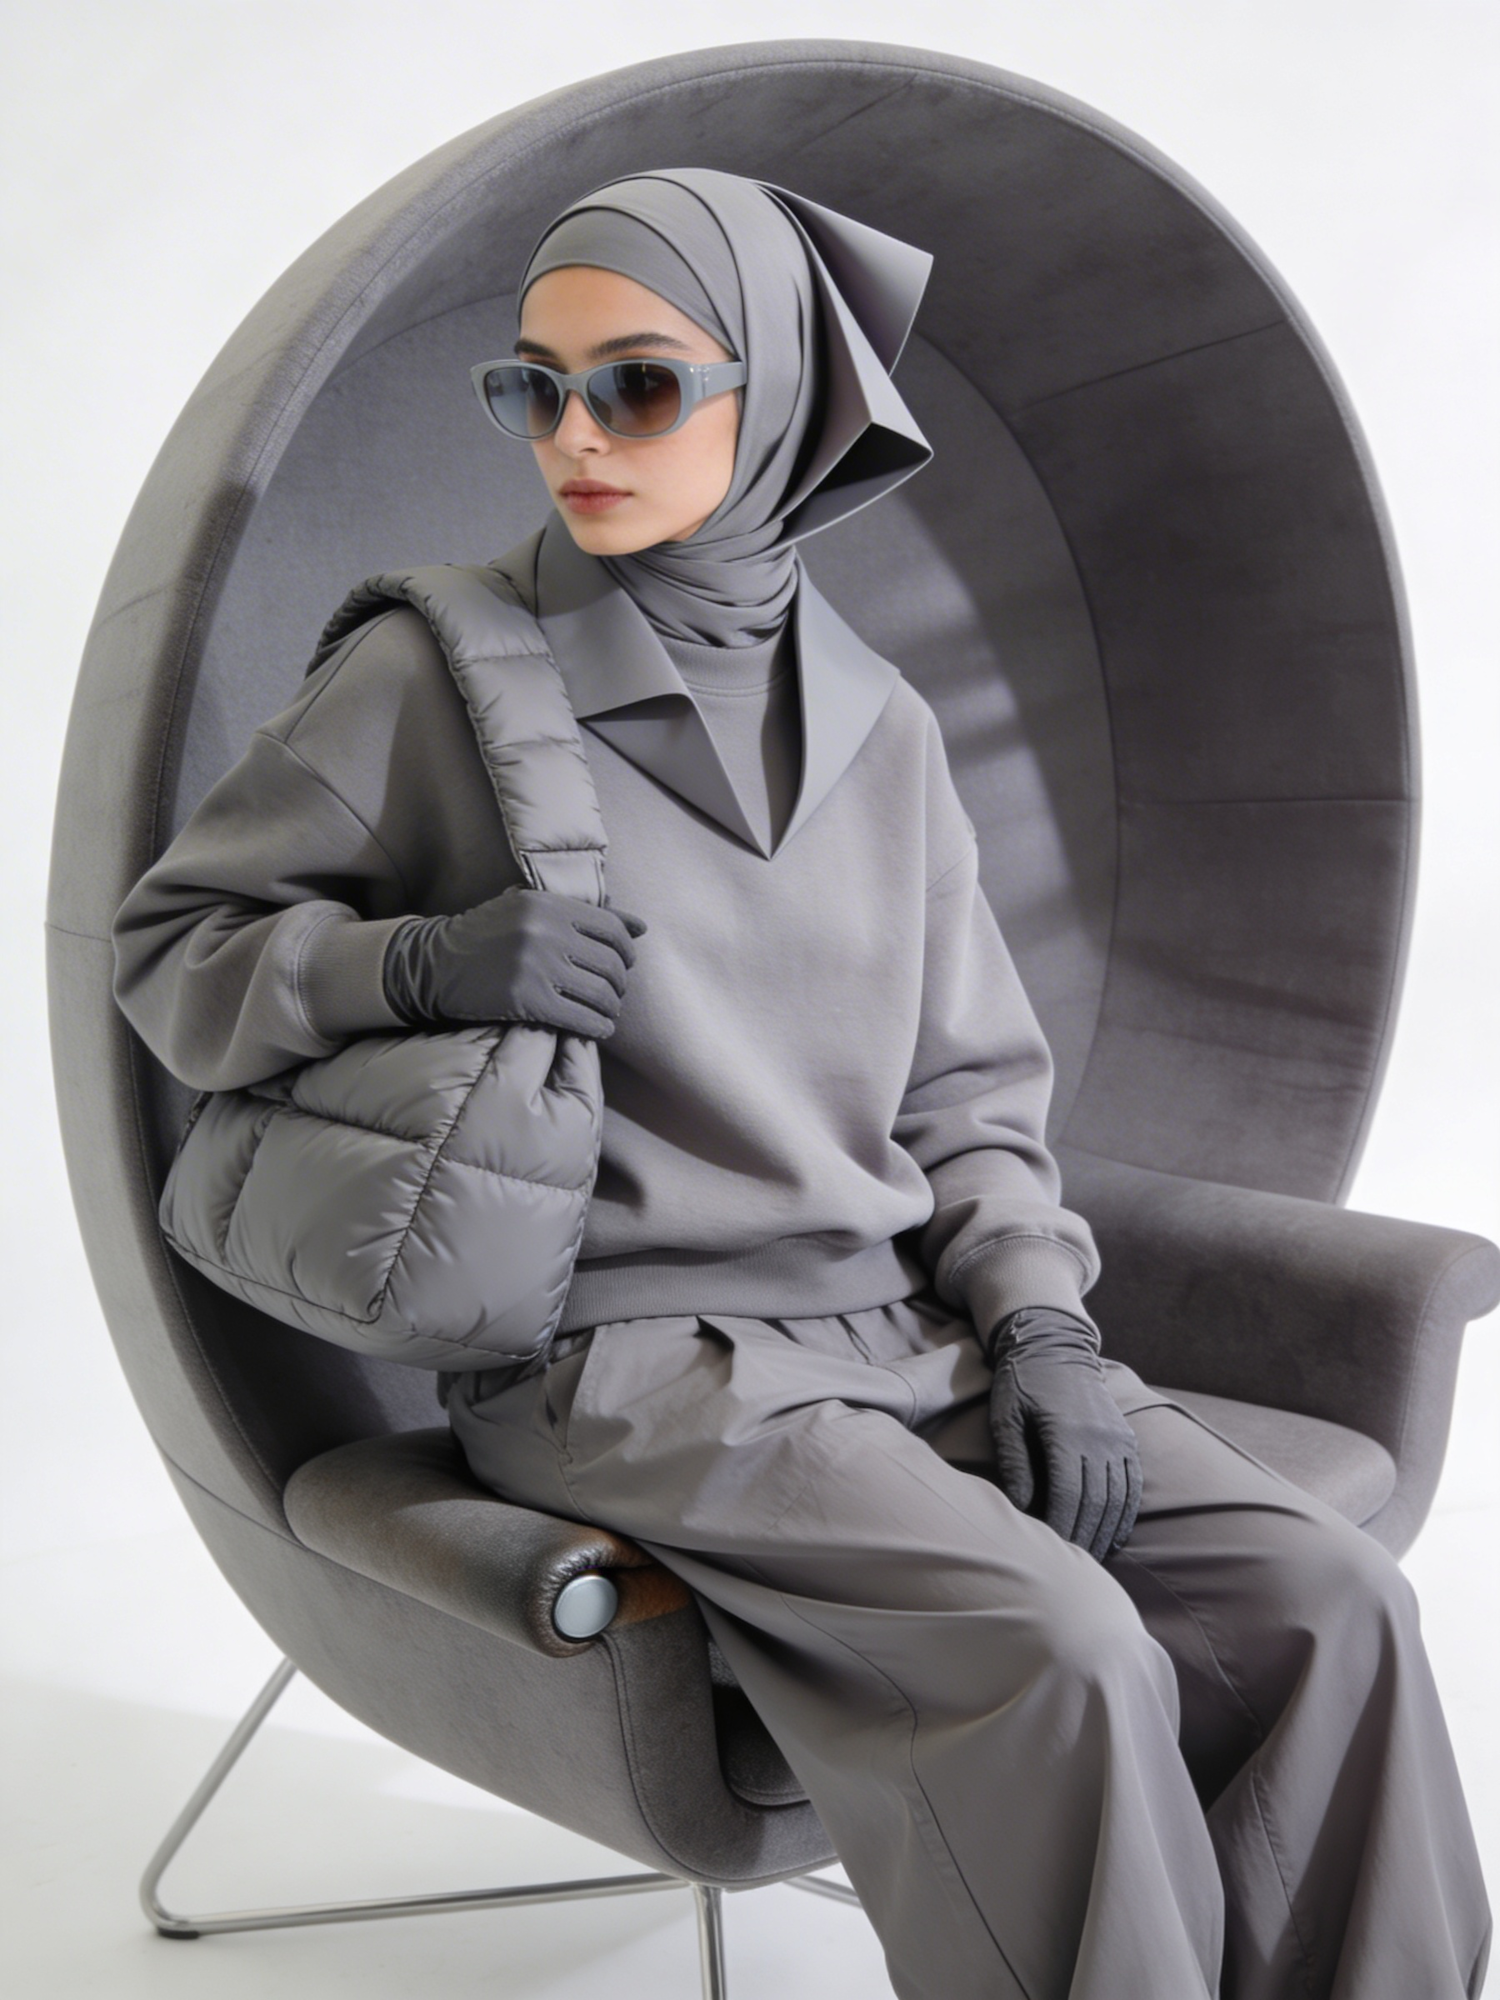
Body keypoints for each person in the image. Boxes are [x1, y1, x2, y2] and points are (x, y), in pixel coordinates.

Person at [109, 168, 1490, 2000]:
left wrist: (1043, 1329)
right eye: (533, 388)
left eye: (637, 385)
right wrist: (412, 963)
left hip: (904, 1332)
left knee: (1333, 1600)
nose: (573, 437)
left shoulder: (883, 728)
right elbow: (166, 956)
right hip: (622, 1368)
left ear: (784, 396)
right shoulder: (434, 675)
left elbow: (969, 1096)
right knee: (1060, 1651)